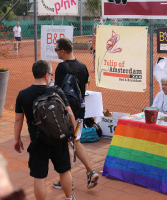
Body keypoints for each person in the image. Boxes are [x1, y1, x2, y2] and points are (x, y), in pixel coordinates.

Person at [14, 60, 76, 200]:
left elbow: (18, 120)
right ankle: (69, 198)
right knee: (64, 170)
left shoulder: (23, 94)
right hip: (58, 138)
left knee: (39, 176)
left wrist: (17, 139)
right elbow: (70, 113)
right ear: (47, 75)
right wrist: (72, 134)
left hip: (37, 141)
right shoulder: (57, 91)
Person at [54, 38, 99, 189]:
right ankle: (91, 171)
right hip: (80, 112)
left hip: (66, 113)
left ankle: (67, 181)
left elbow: (58, 92)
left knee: (65, 144)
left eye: (57, 50)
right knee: (76, 141)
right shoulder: (83, 66)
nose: (56, 53)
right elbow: (84, 88)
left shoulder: (61, 68)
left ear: (63, 51)